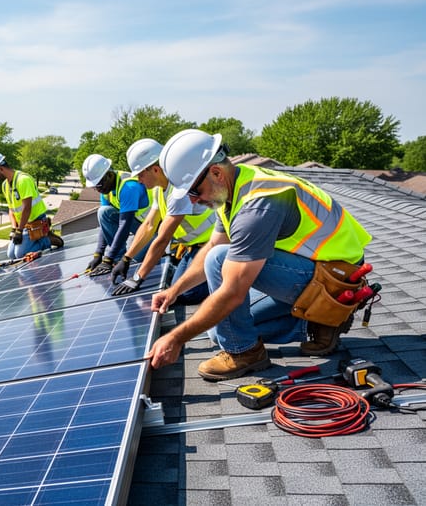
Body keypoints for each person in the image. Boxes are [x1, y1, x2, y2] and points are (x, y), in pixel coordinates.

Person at [146, 129, 372, 380]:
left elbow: (232, 292)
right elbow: (211, 245)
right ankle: (319, 321)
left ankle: (245, 353)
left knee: (221, 264)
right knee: (221, 331)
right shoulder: (233, 189)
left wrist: (175, 338)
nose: (194, 201)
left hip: (337, 278)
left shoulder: (259, 205)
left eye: (194, 192)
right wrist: (174, 290)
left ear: (216, 173)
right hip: (312, 270)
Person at [109, 137, 215, 305]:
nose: (139, 180)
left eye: (141, 174)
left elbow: (162, 239)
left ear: (155, 170)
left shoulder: (178, 192)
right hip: (193, 248)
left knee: (185, 294)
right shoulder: (160, 190)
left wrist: (138, 278)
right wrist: (126, 258)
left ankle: (223, 275)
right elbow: (148, 225)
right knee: (176, 287)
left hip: (214, 246)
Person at [81, 153, 152, 276]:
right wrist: (98, 254)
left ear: (109, 175)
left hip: (152, 230)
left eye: (99, 185)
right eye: (94, 187)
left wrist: (109, 258)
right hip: (139, 225)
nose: (98, 190)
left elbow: (124, 224)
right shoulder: (106, 190)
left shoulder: (128, 187)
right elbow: (105, 223)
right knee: (103, 212)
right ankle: (118, 257)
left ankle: (123, 257)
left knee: (134, 262)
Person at [0, 151, 61, 259]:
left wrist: (19, 231)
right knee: (11, 254)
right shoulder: (5, 185)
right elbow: (11, 209)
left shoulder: (23, 180)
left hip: (36, 221)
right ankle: (36, 239)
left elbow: (27, 208)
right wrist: (14, 229)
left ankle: (46, 239)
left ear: (0, 168)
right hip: (23, 224)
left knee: (20, 254)